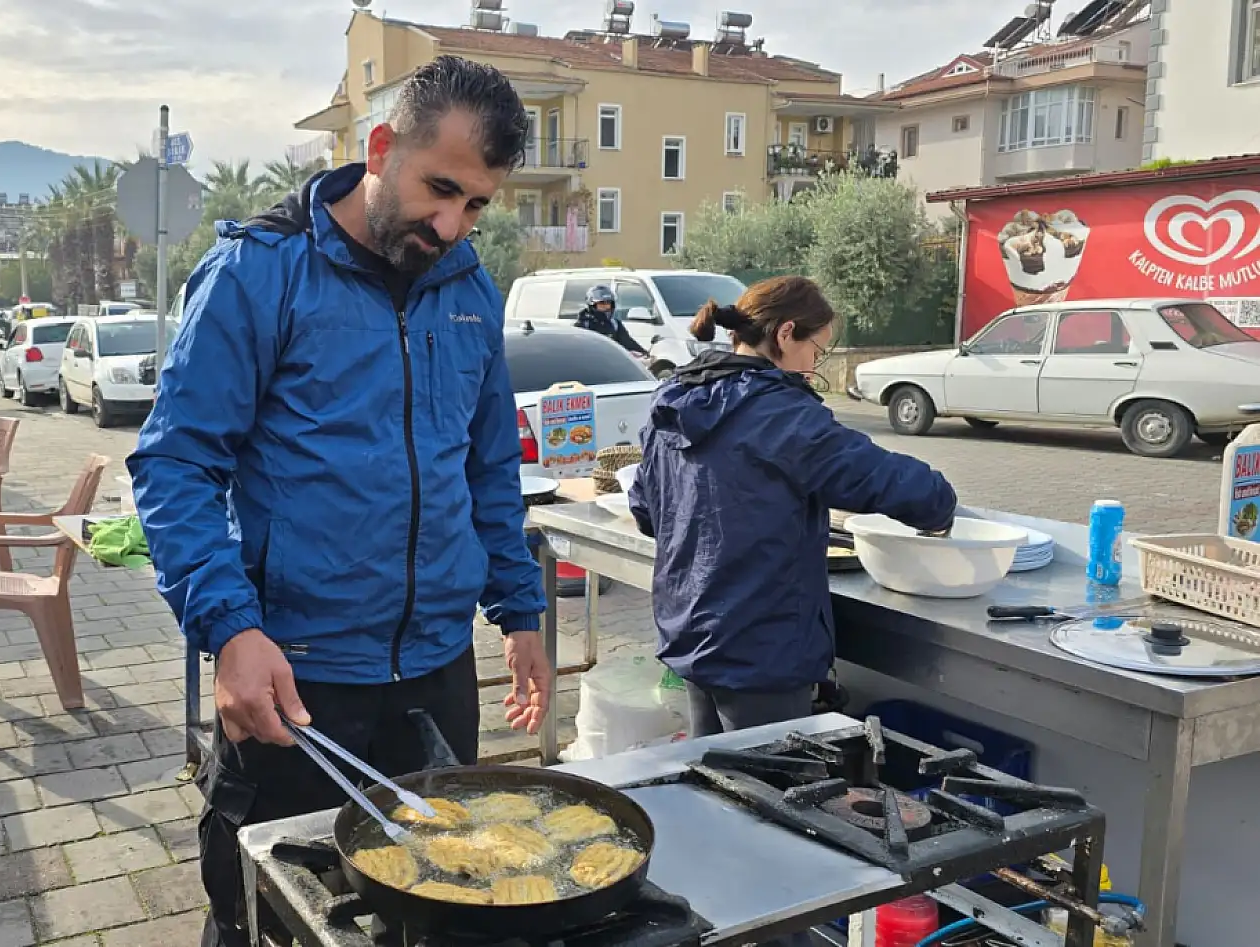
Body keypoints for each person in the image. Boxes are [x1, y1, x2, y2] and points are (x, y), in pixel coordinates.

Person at [129, 55, 553, 947]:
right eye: (441, 189)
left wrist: (521, 613)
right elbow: (176, 465)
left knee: (439, 905)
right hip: (296, 677)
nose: (451, 224)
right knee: (268, 918)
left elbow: (486, 470)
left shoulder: (470, 289)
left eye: (476, 205)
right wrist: (230, 630)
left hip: (439, 678)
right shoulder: (259, 272)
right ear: (382, 145)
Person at [629, 276, 957, 737]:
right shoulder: (780, 413)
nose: (812, 366)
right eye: (816, 351)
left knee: (708, 781)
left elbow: (645, 508)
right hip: (760, 648)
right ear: (785, 334)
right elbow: (882, 479)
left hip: (689, 632)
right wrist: (941, 507)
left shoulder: (672, 398)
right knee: (768, 793)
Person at [575, 284, 650, 357]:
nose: (606, 307)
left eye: (608, 303)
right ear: (592, 305)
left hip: (613, 363)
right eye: (601, 304)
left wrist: (644, 354)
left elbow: (628, 343)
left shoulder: (614, 324)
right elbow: (580, 352)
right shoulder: (582, 325)